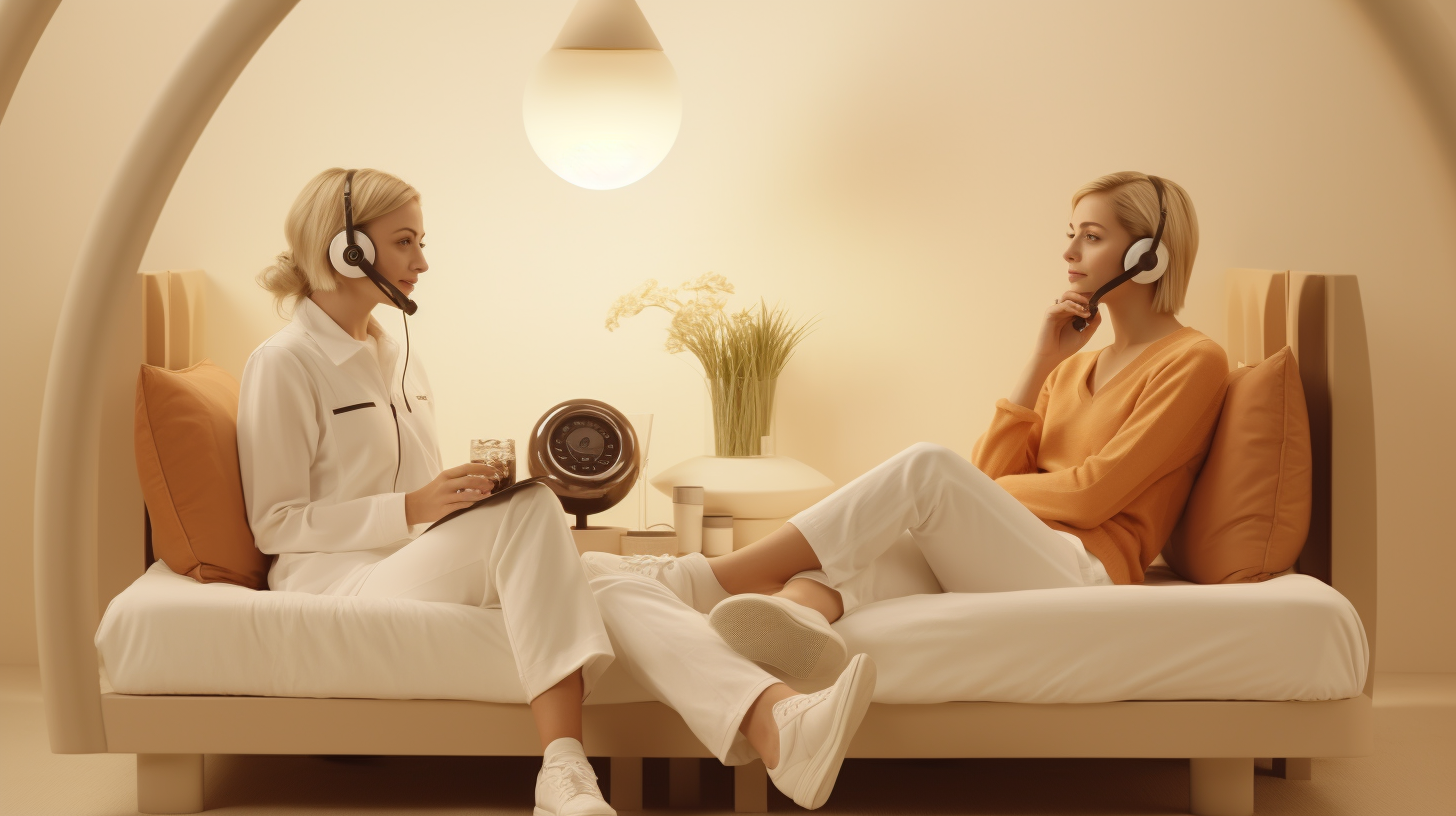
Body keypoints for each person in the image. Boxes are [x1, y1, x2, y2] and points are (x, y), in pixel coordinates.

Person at [581, 171, 1229, 808]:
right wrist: (1041, 362)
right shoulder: (1078, 365)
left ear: (1148, 256)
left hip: (1087, 570)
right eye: (1072, 234)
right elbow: (996, 468)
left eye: (1090, 237)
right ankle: (800, 613)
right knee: (877, 537)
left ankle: (706, 578)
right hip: (1028, 550)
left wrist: (981, 493)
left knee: (926, 470)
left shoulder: (1193, 360)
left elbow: (1090, 496)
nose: (1067, 253)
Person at [237, 167, 617, 816]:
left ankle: (709, 597)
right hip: (335, 582)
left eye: (421, 242)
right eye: (406, 242)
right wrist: (411, 508)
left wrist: (456, 503)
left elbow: (419, 504)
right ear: (347, 249)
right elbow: (275, 524)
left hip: (408, 562)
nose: (423, 261)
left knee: (602, 575)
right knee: (534, 511)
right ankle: (563, 770)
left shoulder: (400, 357)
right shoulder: (284, 363)